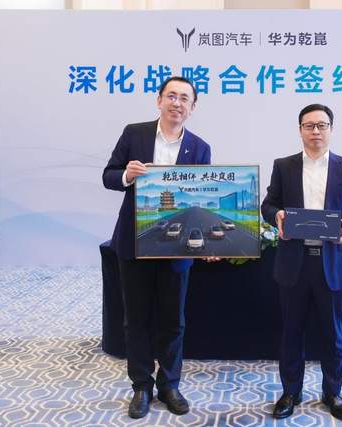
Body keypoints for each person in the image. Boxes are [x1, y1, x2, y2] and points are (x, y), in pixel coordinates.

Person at [102, 77, 211, 419]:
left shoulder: (200, 148)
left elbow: (202, 197)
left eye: (184, 98)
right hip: (135, 241)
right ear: (159, 100)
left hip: (177, 246)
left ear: (193, 107)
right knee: (136, 318)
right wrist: (127, 175)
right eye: (171, 96)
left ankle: (169, 384)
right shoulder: (134, 134)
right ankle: (141, 386)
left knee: (173, 319)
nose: (177, 103)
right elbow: (108, 175)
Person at [261, 103, 342, 421]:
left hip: (332, 263)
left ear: (331, 130)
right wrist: (277, 216)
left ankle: (332, 392)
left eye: (322, 125)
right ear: (300, 130)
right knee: (291, 332)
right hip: (294, 263)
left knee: (334, 333)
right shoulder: (284, 166)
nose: (316, 131)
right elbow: (269, 205)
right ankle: (290, 392)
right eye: (309, 126)